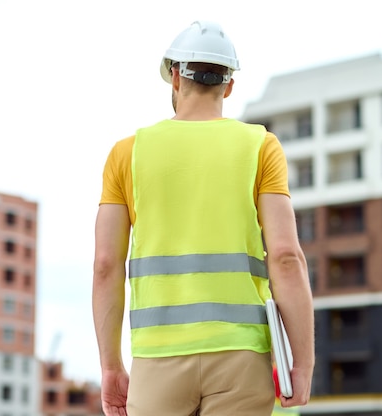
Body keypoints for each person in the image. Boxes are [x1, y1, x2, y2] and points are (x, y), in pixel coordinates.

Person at [92, 20, 315, 416]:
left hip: (157, 358)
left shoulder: (126, 154)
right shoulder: (261, 147)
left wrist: (111, 366)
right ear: (228, 85)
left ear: (174, 76)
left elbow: (106, 266)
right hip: (242, 357)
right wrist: (302, 362)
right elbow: (285, 257)